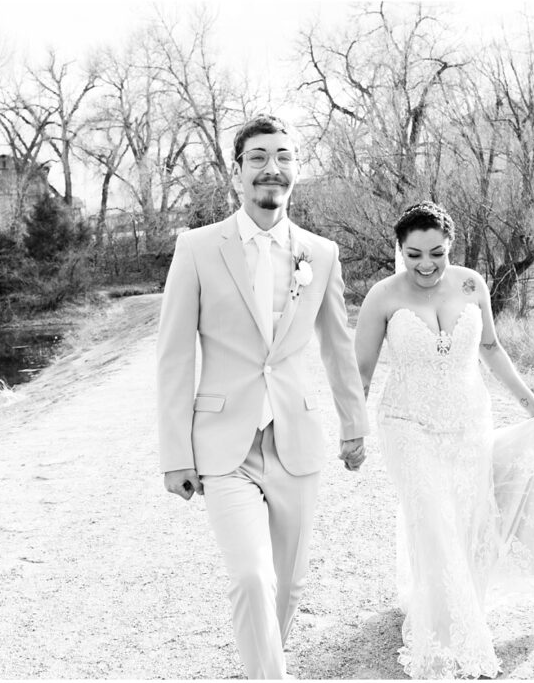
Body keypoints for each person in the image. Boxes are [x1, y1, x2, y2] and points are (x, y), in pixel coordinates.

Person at [156, 114, 369, 679]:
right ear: (237, 172)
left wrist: (354, 423)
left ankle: (259, 669)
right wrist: (175, 452)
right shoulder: (198, 248)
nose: (270, 168)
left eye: (282, 157)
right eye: (257, 158)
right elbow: (175, 356)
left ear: (296, 170)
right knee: (252, 575)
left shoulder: (320, 254)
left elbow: (338, 346)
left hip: (297, 440)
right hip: (226, 446)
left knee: (290, 584)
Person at [355, 201, 534, 679]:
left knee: (465, 519)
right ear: (399, 250)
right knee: (431, 517)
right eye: (414, 254)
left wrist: (531, 405)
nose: (426, 265)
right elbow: (357, 374)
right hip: (407, 424)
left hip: (468, 423)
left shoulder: (471, 284)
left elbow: (490, 347)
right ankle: (448, 637)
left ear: (451, 246)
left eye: (436, 253)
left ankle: (449, 604)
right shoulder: (382, 297)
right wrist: (351, 430)